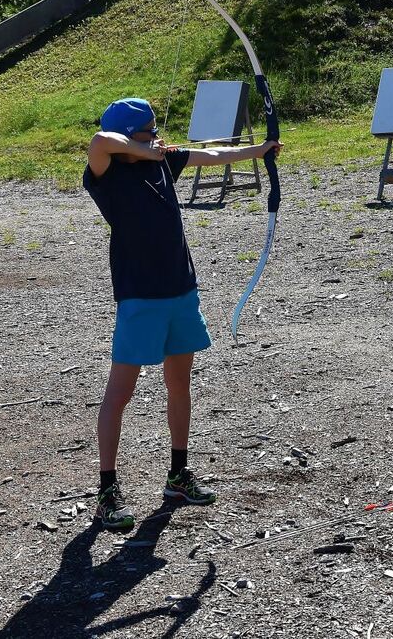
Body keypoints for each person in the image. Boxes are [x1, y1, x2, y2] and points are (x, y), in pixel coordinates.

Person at [83, 96, 280, 532]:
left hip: (180, 291)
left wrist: (259, 150)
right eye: (148, 130)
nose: (157, 136)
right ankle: (107, 491)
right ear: (131, 135)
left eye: (156, 130)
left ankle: (177, 475)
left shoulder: (162, 162)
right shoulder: (107, 174)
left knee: (179, 384)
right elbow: (100, 140)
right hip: (140, 297)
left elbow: (212, 154)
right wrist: (145, 149)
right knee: (120, 394)